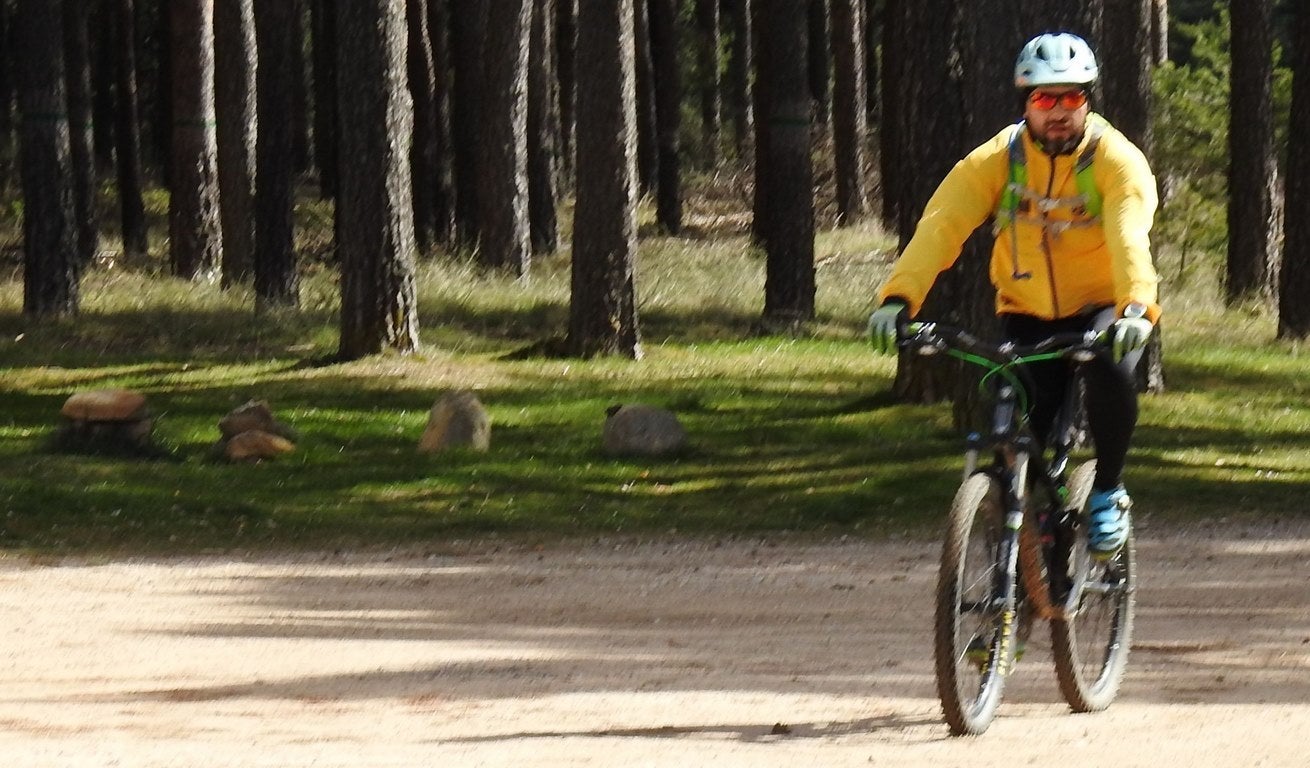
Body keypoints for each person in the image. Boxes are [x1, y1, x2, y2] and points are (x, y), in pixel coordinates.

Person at [867, 32, 1159, 559]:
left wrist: (1135, 306)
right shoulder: (996, 161)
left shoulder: (1116, 161)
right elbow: (941, 226)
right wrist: (898, 300)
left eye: (1071, 98)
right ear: (1025, 104)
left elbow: (1128, 236)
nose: (1058, 112)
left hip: (1103, 307)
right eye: (1045, 99)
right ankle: (1014, 579)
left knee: (1111, 371)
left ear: (1087, 101)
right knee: (1020, 436)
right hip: (1026, 312)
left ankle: (1109, 491)